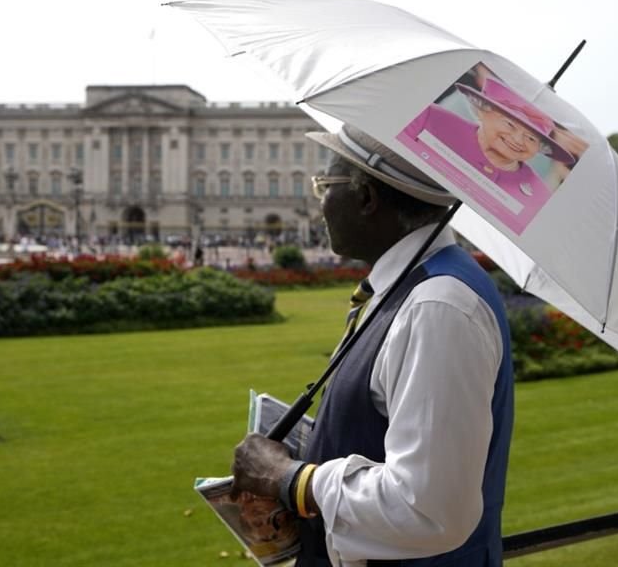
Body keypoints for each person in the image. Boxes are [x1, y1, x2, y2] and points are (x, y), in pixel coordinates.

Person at [231, 124, 514, 566]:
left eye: (325, 185)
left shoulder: (436, 306)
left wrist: (286, 478)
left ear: (365, 197)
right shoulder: (414, 288)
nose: (320, 202)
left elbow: (427, 510)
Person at [398, 77, 578, 233]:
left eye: (531, 137)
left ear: (540, 147)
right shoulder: (429, 120)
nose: (517, 140)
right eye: (509, 124)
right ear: (482, 111)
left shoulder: (538, 199)